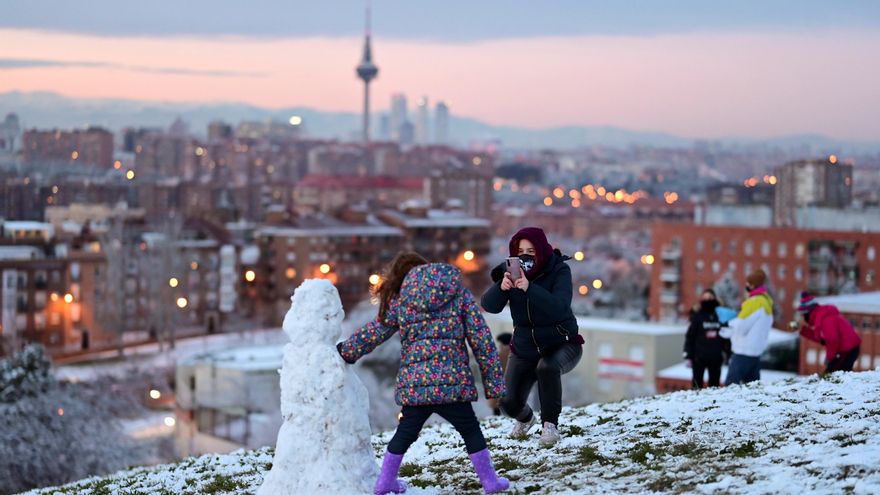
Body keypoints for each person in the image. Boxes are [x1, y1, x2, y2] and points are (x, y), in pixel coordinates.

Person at [337, 252, 509, 495]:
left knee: (405, 433)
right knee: (470, 430)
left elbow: (374, 332)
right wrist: (494, 385)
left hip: (416, 386)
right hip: (453, 383)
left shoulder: (401, 300)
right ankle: (490, 481)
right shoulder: (458, 294)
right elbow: (481, 340)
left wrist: (346, 351)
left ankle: (386, 482)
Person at [481, 227, 584, 447]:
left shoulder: (559, 270)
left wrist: (530, 289)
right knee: (508, 402)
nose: (526, 255)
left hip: (562, 343)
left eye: (531, 250)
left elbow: (559, 306)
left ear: (542, 249)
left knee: (546, 368)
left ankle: (550, 426)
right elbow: (489, 305)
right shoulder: (511, 272)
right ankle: (526, 419)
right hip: (525, 348)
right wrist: (502, 287)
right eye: (521, 251)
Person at [720, 269, 772, 385]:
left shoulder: (753, 303)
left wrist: (726, 327)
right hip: (756, 353)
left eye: (748, 283)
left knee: (731, 386)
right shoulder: (766, 302)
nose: (746, 286)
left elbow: (741, 326)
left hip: (743, 352)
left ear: (752, 285)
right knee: (753, 389)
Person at [795, 291, 862, 373]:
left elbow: (832, 340)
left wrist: (829, 358)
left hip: (848, 349)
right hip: (844, 350)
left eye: (803, 315)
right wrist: (803, 330)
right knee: (836, 374)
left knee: (833, 374)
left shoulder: (825, 319)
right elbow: (821, 338)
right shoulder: (819, 318)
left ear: (808, 312)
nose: (803, 317)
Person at [684, 289, 727, 388]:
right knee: (696, 385)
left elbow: (727, 336)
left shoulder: (721, 315)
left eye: (710, 297)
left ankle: (713, 403)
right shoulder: (697, 315)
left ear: (715, 299)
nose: (708, 300)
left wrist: (728, 352)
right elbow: (690, 336)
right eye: (705, 297)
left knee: (714, 386)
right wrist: (688, 354)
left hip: (716, 356)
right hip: (699, 357)